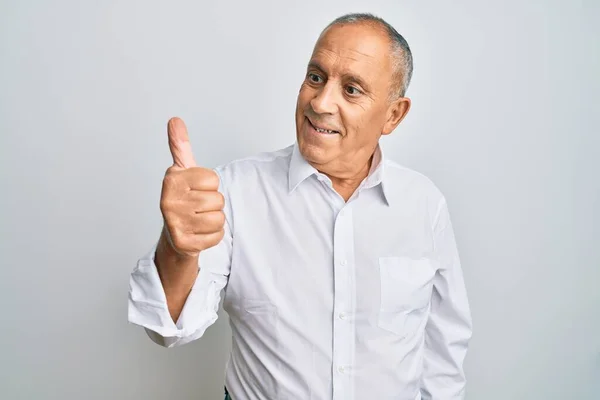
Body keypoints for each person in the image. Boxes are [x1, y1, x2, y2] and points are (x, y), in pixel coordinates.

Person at [128, 12, 472, 400]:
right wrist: (177, 248)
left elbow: (444, 355)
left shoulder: (424, 204)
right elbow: (167, 329)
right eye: (316, 77)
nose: (321, 102)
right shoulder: (234, 192)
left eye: (352, 89)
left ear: (393, 114)